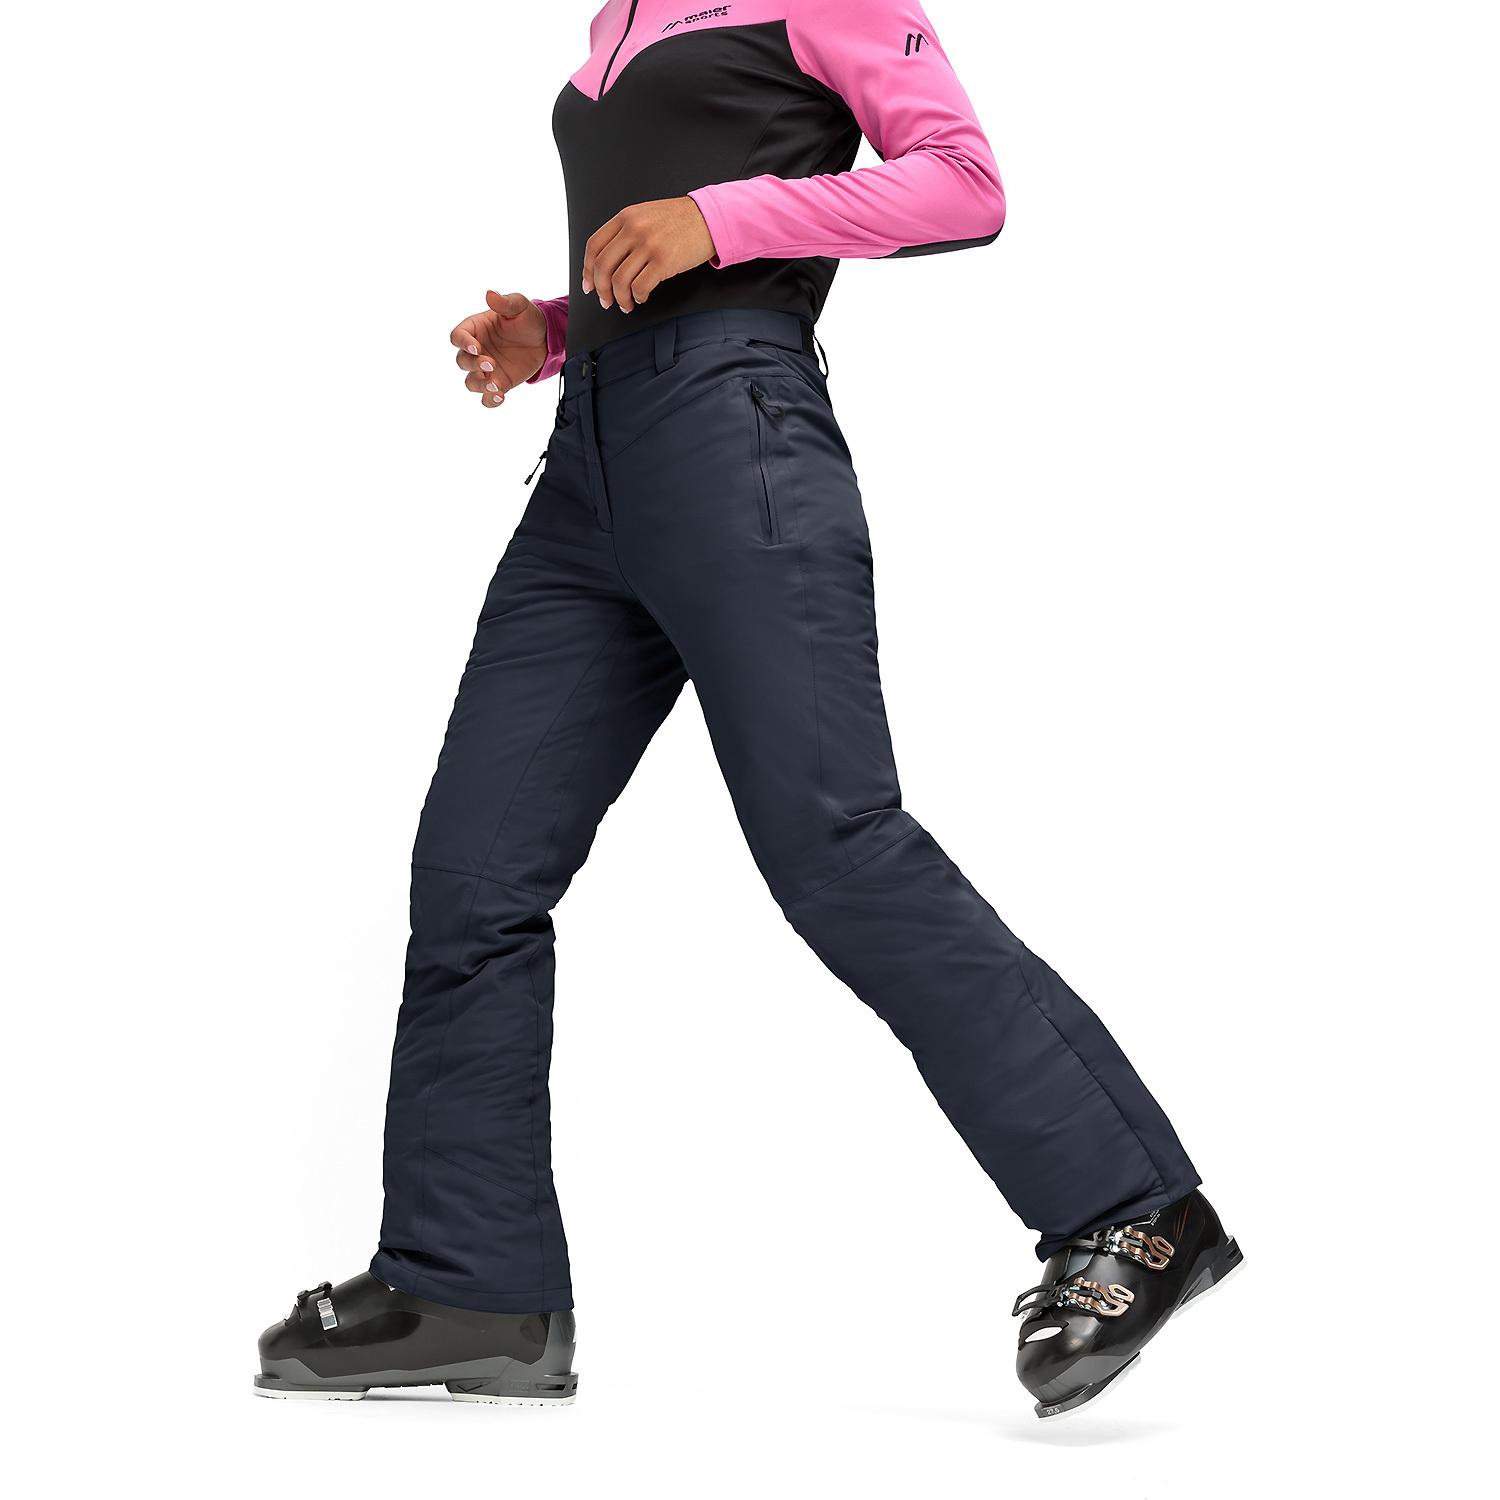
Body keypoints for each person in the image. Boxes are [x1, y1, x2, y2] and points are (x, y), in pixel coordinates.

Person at [255, 0, 1240, 1419]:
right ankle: (470, 1282)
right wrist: (555, 330)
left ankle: (1135, 1212)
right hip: (590, 465)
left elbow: (965, 185)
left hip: (735, 437)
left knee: (835, 843)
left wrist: (718, 220)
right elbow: (660, 238)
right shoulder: (620, 14)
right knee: (474, 876)